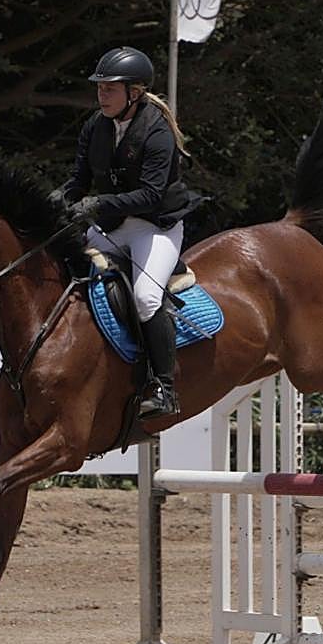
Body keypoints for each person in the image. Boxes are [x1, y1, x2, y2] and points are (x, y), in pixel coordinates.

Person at [54, 46, 201, 419]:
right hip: (111, 226)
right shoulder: (96, 126)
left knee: (146, 297)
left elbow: (151, 194)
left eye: (110, 89)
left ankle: (164, 387)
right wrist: (59, 197)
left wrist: (96, 204)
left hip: (154, 228)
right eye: (100, 89)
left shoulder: (157, 131)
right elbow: (79, 180)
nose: (102, 96)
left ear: (134, 92)